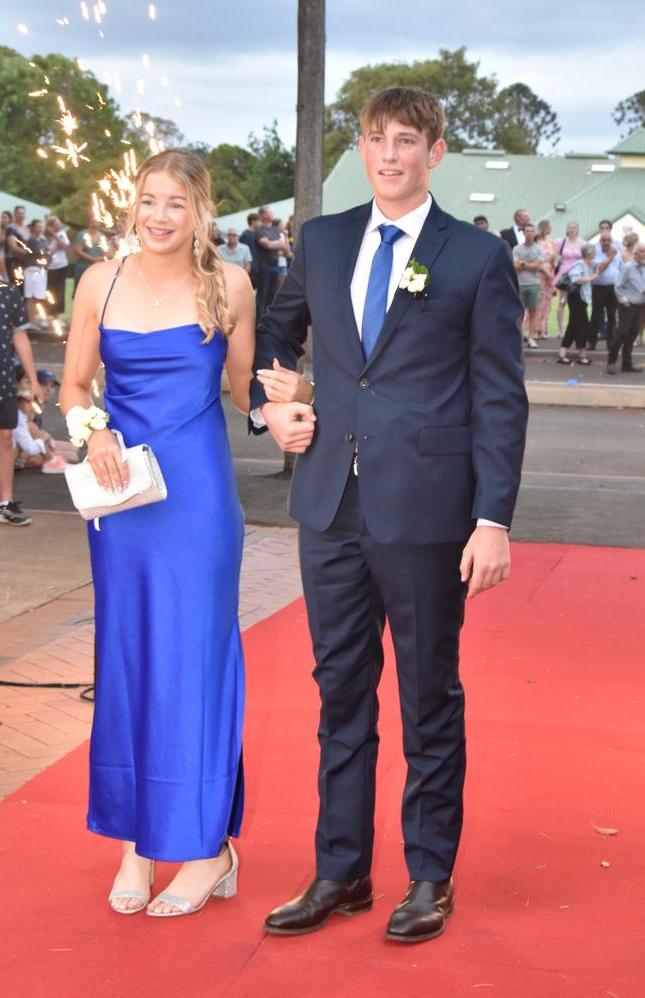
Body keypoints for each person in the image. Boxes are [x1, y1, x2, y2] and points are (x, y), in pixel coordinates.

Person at [251, 86, 528, 944]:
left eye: (407, 140)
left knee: (427, 695)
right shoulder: (324, 240)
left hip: (428, 511)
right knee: (340, 693)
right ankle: (343, 869)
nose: (390, 154)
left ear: (436, 151)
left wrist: (493, 520)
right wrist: (275, 409)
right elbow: (276, 335)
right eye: (376, 139)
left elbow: (500, 399)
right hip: (328, 502)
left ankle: (429, 875)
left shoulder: (477, 257)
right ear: (362, 148)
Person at [60, 149, 257, 916]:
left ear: (200, 210)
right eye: (149, 200)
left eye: (176, 202)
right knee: (129, 658)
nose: (160, 216)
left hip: (199, 499)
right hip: (124, 498)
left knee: (196, 664)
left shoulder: (230, 285)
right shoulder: (98, 281)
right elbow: (76, 382)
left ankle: (206, 852)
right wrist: (93, 431)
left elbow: (245, 392)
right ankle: (136, 847)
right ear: (132, 205)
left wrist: (289, 398)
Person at [0, 279, 40, 526]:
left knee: (4, 438)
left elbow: (19, 336)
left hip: (1, 381)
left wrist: (33, 379)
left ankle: (4, 503)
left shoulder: (7, 292)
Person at [606, 242, 645, 374]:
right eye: (642, 251)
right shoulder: (628, 267)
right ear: (635, 253)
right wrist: (624, 300)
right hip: (627, 305)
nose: (644, 254)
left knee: (632, 334)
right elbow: (618, 286)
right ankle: (611, 362)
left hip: (640, 305)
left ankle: (627, 364)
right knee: (622, 333)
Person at [557, 244, 597, 365]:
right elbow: (575, 279)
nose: (595, 253)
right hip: (577, 298)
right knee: (582, 325)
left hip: (582, 298)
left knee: (574, 325)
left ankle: (563, 353)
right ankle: (581, 354)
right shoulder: (580, 264)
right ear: (590, 253)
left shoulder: (587, 264)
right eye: (594, 251)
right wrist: (592, 277)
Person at [513, 223, 546, 349]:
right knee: (519, 313)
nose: (529, 233)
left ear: (535, 233)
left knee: (533, 312)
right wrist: (530, 264)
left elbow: (538, 266)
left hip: (533, 284)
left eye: (532, 231)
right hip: (520, 284)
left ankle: (531, 338)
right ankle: (519, 337)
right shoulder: (517, 249)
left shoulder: (538, 249)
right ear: (524, 232)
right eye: (527, 231)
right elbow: (515, 266)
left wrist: (523, 264)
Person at [588, 231, 622, 351]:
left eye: (609, 240)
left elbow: (621, 269)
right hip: (599, 287)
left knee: (612, 317)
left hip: (613, 288)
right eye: (604, 240)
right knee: (596, 315)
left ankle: (610, 343)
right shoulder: (596, 253)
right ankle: (592, 342)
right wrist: (610, 256)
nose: (606, 242)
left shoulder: (618, 253)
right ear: (600, 241)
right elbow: (600, 268)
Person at [255, 206, 287, 320]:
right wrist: (276, 243)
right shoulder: (259, 231)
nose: (272, 213)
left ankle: (268, 320)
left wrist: (273, 243)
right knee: (262, 296)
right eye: (269, 212)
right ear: (263, 215)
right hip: (264, 267)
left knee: (272, 295)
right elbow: (266, 245)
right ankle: (259, 321)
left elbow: (284, 245)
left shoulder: (275, 230)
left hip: (275, 266)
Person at [554, 221, 584, 337]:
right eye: (570, 227)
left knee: (577, 304)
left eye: (574, 228)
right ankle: (561, 330)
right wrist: (557, 260)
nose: (572, 229)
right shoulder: (560, 242)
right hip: (564, 275)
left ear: (577, 230)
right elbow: (554, 258)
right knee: (562, 302)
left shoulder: (583, 243)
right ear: (567, 229)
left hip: (577, 275)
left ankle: (574, 329)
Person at [23, 220, 50, 326]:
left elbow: (47, 253)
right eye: (38, 227)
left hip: (41, 270)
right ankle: (32, 321)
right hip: (33, 269)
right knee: (31, 296)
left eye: (41, 226)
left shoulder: (42, 240)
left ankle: (36, 320)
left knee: (38, 296)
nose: (40, 228)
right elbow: (40, 253)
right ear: (33, 228)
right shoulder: (31, 240)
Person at [72, 216, 110, 290]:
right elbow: (77, 251)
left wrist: (101, 258)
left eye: (96, 222)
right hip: (83, 267)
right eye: (92, 222)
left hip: (97, 268)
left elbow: (106, 252)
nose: (94, 224)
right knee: (81, 289)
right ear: (88, 223)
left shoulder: (102, 237)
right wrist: (92, 259)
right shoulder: (82, 235)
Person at [534, 219, 557, 338]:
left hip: (550, 270)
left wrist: (555, 261)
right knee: (538, 301)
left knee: (547, 302)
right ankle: (535, 329)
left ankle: (543, 329)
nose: (550, 229)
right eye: (549, 227)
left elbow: (553, 256)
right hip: (540, 272)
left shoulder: (550, 242)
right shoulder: (536, 242)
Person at [45, 216, 71, 316]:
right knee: (50, 291)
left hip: (62, 265)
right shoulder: (46, 237)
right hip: (51, 267)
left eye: (59, 224)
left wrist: (55, 235)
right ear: (50, 226)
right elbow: (48, 252)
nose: (58, 226)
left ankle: (58, 313)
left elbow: (65, 246)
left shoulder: (61, 234)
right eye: (56, 225)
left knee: (60, 291)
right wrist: (56, 246)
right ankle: (49, 313)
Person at [5, 205, 31, 287]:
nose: (21, 215)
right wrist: (29, 253)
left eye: (23, 213)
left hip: (25, 262)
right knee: (16, 285)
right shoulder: (11, 228)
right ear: (15, 214)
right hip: (14, 261)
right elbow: (13, 247)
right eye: (19, 213)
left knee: (25, 286)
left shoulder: (27, 229)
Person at [239, 213, 260, 289]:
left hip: (256, 266)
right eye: (258, 221)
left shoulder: (256, 234)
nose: (260, 223)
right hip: (250, 267)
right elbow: (244, 253)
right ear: (253, 222)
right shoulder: (246, 235)